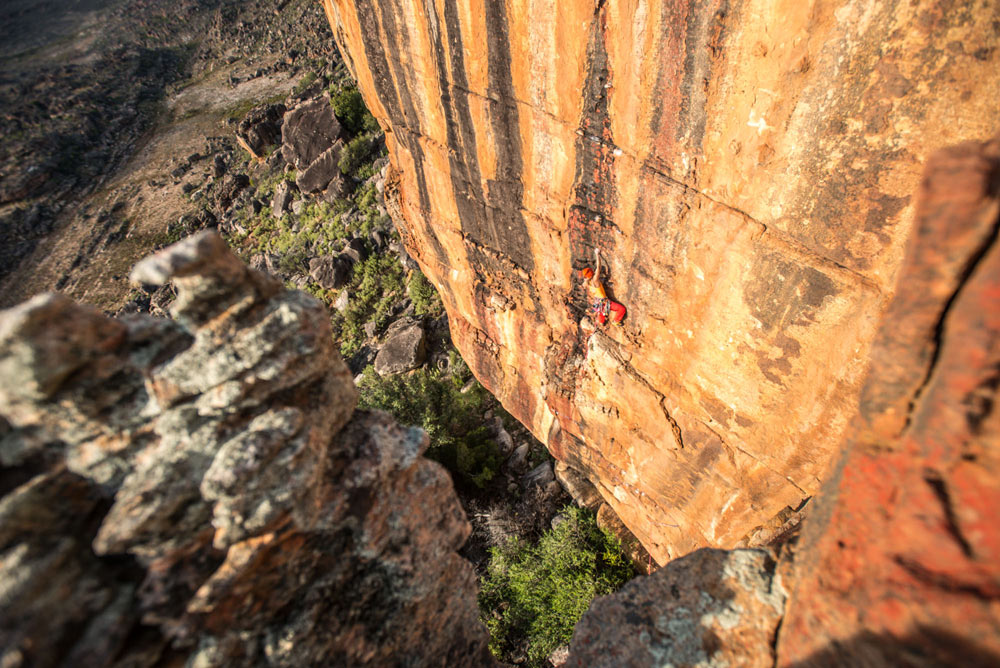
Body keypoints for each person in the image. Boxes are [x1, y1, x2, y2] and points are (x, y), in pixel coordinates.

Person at [581, 248, 626, 326]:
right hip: (604, 302)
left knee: (601, 313)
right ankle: (615, 321)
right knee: (621, 309)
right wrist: (597, 255)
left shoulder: (586, 283)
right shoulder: (595, 281)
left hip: (598, 303)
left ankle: (601, 322)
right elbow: (598, 267)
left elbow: (586, 280)